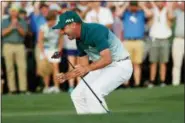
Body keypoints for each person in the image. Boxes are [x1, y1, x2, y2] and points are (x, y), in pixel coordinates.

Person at [53, 11, 133, 114]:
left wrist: (86, 68)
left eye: (63, 28)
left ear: (73, 25)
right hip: (102, 67)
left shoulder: (95, 30)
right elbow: (83, 67)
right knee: (77, 95)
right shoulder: (79, 40)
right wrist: (65, 76)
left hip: (120, 65)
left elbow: (107, 59)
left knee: (93, 92)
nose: (61, 32)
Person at [117, 1, 152, 87]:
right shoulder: (126, 14)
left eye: (135, 6)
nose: (133, 7)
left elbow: (150, 14)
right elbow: (118, 14)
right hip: (127, 41)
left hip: (139, 41)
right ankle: (126, 84)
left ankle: (137, 83)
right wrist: (126, 5)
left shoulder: (141, 14)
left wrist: (141, 5)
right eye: (132, 6)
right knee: (126, 64)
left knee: (137, 64)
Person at [2, 5, 28, 94]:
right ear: (10, 12)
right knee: (9, 68)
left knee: (22, 67)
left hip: (19, 45)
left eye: (16, 11)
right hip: (8, 45)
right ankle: (12, 90)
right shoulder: (4, 21)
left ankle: (23, 89)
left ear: (17, 12)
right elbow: (3, 33)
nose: (14, 13)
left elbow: (24, 34)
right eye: (13, 11)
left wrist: (17, 26)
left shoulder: (22, 21)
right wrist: (11, 26)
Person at [148, 2, 173, 88]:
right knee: (153, 62)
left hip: (165, 39)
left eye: (162, 1)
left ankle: (162, 81)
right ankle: (152, 81)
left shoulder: (167, 10)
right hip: (154, 38)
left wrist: (168, 9)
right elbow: (148, 14)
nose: (160, 3)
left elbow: (171, 17)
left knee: (163, 62)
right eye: (158, 1)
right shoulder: (153, 10)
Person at [37, 10, 63, 94]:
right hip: (45, 50)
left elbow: (61, 40)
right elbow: (40, 41)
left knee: (56, 67)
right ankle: (46, 87)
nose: (52, 22)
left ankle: (56, 87)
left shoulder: (58, 27)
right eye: (51, 20)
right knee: (46, 69)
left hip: (55, 50)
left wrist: (59, 50)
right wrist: (43, 53)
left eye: (53, 20)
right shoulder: (43, 27)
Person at [172, 2, 184, 86]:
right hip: (178, 39)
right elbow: (170, 15)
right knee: (177, 63)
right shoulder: (177, 12)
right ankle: (175, 83)